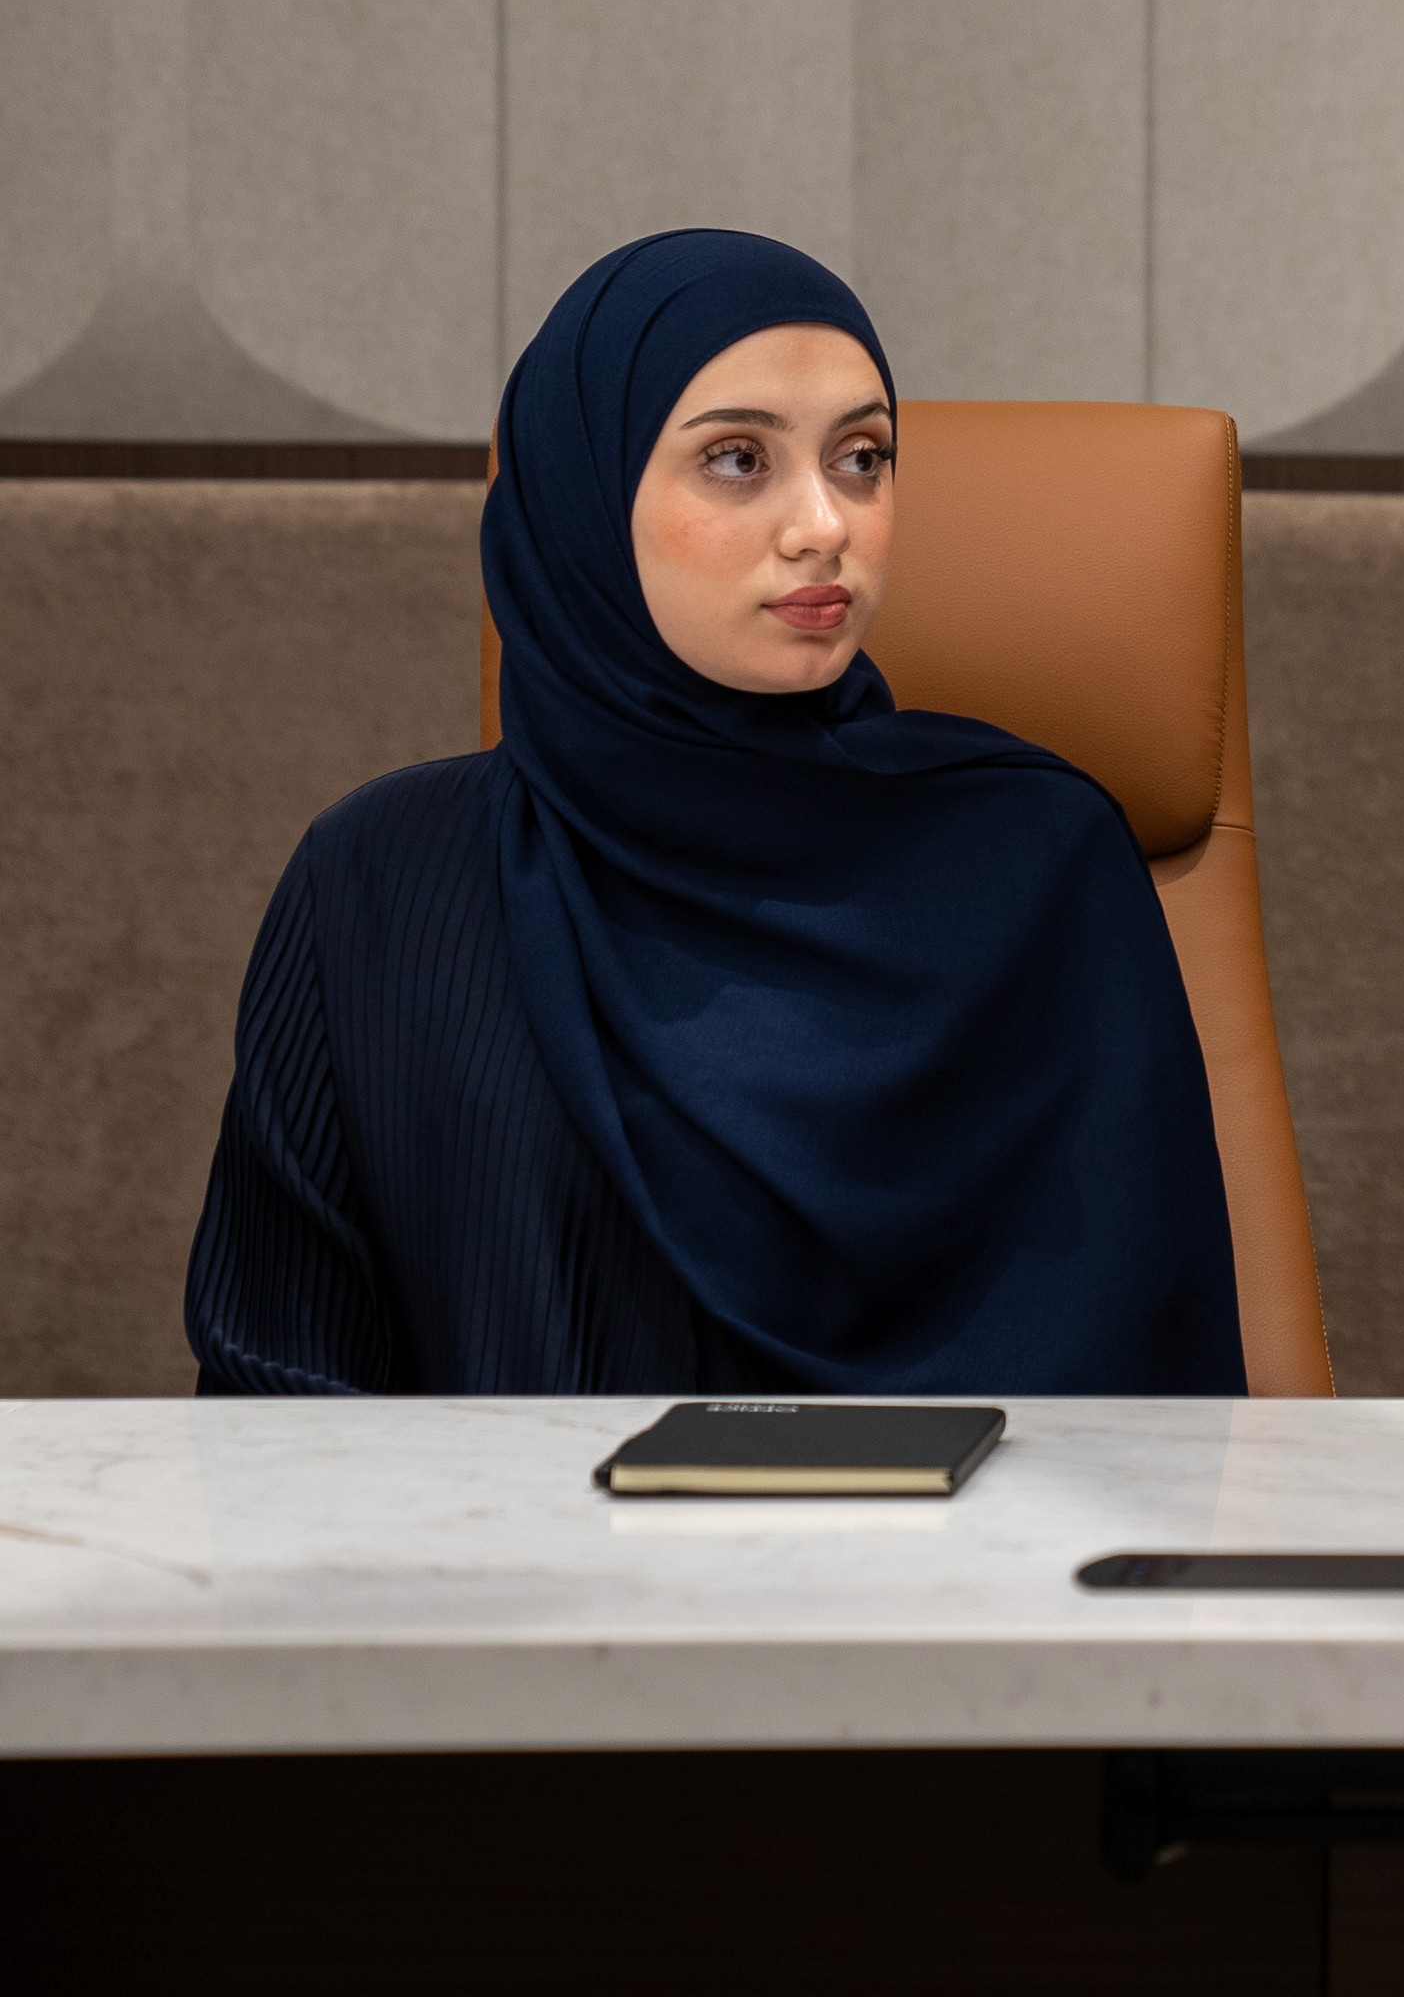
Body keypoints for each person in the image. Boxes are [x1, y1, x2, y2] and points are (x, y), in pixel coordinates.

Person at [183, 229, 1245, 1396]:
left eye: (862, 460)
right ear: (584, 496)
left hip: (978, 1570)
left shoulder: (1041, 858)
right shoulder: (380, 882)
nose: (825, 525)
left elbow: (1155, 1392)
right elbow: (275, 1396)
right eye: (739, 460)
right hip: (517, 1570)